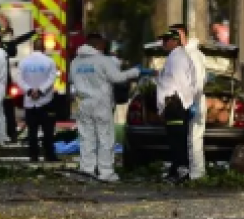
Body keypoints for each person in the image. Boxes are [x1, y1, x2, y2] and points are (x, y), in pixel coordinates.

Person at [71, 33, 141, 181]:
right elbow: (117, 77)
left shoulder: (75, 62)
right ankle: (106, 172)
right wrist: (136, 71)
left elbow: (73, 80)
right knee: (105, 138)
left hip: (83, 103)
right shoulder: (102, 60)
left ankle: (87, 170)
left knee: (86, 138)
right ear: (99, 44)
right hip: (101, 103)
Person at [157, 30, 200, 182]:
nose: (163, 43)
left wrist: (185, 103)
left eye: (166, 40)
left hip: (176, 104)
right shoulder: (174, 57)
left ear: (175, 41)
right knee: (175, 139)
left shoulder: (178, 58)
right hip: (174, 104)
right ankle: (175, 170)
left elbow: (183, 83)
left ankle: (181, 172)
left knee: (177, 140)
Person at [173, 25, 210, 180]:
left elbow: (199, 82)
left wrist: (192, 101)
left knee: (194, 138)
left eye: (177, 35)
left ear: (184, 35)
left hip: (194, 101)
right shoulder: (181, 55)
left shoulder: (194, 55)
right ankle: (191, 172)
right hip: (185, 102)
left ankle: (198, 174)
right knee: (189, 139)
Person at [17, 37, 60, 163]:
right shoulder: (49, 61)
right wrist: (40, 91)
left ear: (33, 48)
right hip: (46, 101)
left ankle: (33, 156)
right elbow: (52, 78)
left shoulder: (24, 62)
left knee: (32, 132)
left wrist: (30, 91)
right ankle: (49, 156)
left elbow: (20, 79)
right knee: (48, 131)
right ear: (44, 48)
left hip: (30, 102)